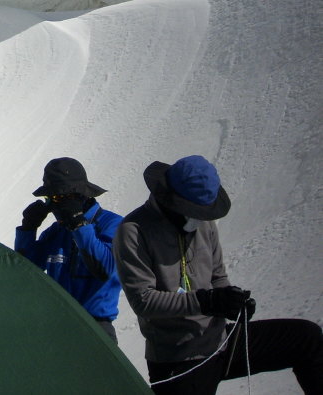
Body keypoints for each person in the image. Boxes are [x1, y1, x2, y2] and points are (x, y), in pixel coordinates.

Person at [113, 155, 323, 394]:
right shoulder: (133, 232)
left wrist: (232, 301)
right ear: (171, 201)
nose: (199, 218)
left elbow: (217, 275)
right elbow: (144, 301)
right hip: (178, 359)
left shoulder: (202, 221)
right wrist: (207, 301)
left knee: (307, 338)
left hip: (221, 341)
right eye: (191, 211)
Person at [15, 157, 123, 342]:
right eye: (50, 199)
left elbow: (105, 269)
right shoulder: (57, 231)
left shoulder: (113, 225)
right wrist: (27, 229)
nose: (55, 206)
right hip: (56, 326)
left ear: (79, 195)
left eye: (58, 198)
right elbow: (24, 272)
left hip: (96, 329)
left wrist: (79, 224)